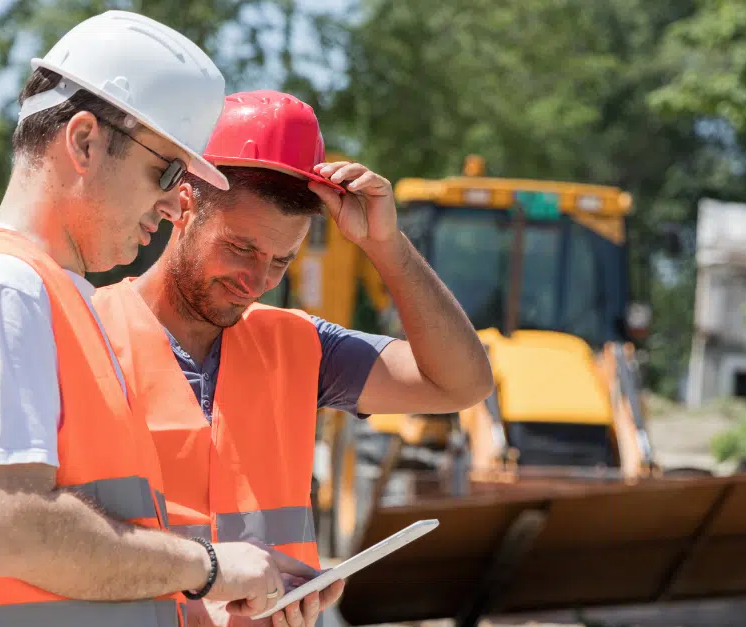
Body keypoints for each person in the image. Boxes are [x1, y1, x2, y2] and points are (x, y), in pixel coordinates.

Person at [0, 13, 317, 626]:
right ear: (84, 141)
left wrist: (192, 590)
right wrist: (207, 566)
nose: (171, 205)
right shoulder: (2, 289)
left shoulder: (52, 297)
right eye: (165, 170)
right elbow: (11, 528)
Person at [91, 90, 495, 627]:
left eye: (281, 261)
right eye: (241, 249)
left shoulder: (303, 346)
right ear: (184, 205)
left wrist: (387, 247)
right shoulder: (85, 332)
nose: (256, 282)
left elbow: (461, 385)